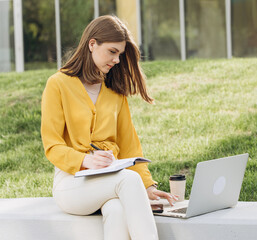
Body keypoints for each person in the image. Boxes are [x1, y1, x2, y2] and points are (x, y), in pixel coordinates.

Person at [41, 15, 177, 240]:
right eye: (112, 52)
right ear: (92, 44)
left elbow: (129, 145)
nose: (116, 60)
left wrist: (148, 187)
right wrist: (86, 160)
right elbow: (52, 146)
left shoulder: (115, 92)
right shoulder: (58, 84)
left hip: (109, 181)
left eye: (120, 55)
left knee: (116, 210)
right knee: (128, 180)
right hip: (71, 184)